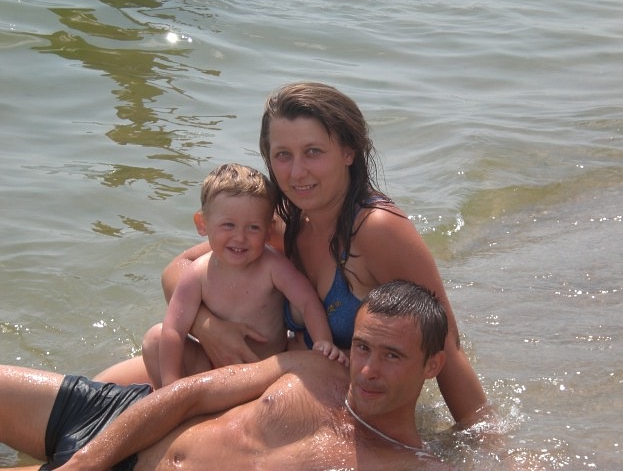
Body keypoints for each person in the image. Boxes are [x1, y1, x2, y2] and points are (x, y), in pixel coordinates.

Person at [97, 82, 487, 425]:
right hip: (270, 371)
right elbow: (178, 270)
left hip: (324, 398)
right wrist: (209, 328)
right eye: (283, 155)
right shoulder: (284, 224)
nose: (296, 172)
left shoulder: (376, 230)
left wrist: (484, 443)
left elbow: (445, 346)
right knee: (102, 385)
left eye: (313, 152)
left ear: (348, 152)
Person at [1, 280, 453, 471]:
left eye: (392, 356)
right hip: (124, 420)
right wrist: (85, 463)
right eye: (362, 347)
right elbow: (192, 395)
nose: (367, 370)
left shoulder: (407, 465)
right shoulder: (316, 368)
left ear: (432, 365)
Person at [144, 163, 346, 388]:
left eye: (253, 228)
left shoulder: (273, 267)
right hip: (213, 366)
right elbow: (174, 330)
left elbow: (308, 302)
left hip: (264, 373)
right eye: (228, 225)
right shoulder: (196, 274)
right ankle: (169, 399)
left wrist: (323, 342)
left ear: (268, 230)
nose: (240, 237)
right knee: (155, 338)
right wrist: (172, 384)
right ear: (202, 224)